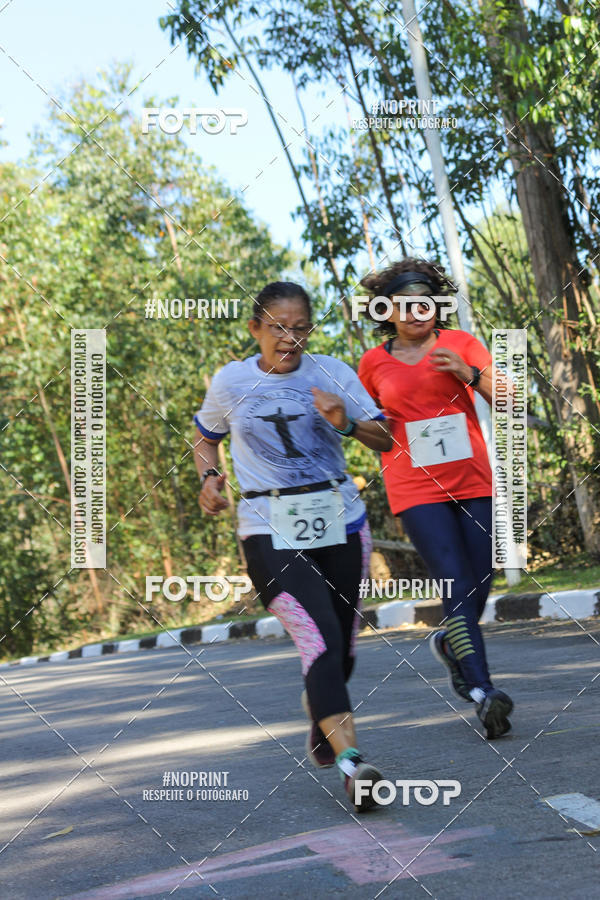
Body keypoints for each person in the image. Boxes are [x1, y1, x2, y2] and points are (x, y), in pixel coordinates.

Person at [193, 281, 394, 810]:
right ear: (255, 328)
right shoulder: (232, 382)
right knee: (321, 641)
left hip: (340, 517)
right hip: (267, 523)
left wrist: (345, 422)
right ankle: (354, 766)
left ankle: (321, 714)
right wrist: (211, 478)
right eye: (278, 328)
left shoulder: (332, 372)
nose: (290, 339)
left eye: (300, 328)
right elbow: (205, 435)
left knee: (343, 651)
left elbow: (385, 437)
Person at [357, 259, 513, 739]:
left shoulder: (460, 345)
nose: (417, 311)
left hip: (472, 480)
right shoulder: (372, 363)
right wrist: (348, 422)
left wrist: (469, 374)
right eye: (405, 304)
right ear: (387, 310)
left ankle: (450, 643)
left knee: (479, 579)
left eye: (425, 302)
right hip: (415, 486)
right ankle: (483, 691)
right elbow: (374, 433)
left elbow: (511, 399)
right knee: (454, 578)